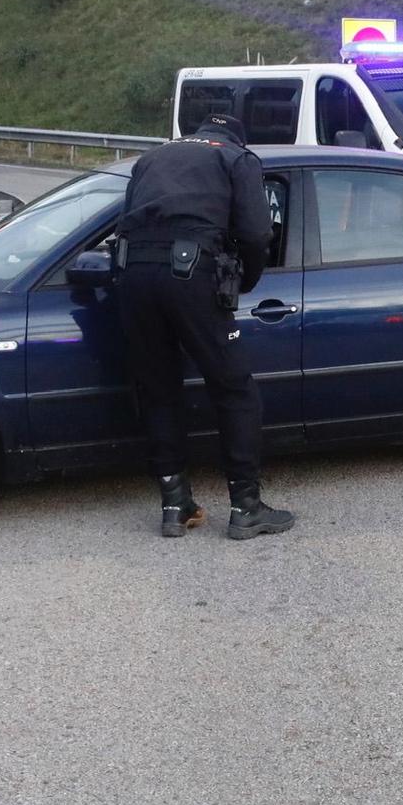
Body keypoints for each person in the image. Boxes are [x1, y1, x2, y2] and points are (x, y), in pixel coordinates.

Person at [115, 112, 293, 540]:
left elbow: (127, 221)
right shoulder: (236, 158)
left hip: (132, 275)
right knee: (234, 390)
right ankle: (246, 508)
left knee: (158, 389)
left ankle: (175, 506)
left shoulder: (152, 157)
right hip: (189, 274)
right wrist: (243, 282)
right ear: (235, 134)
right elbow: (255, 232)